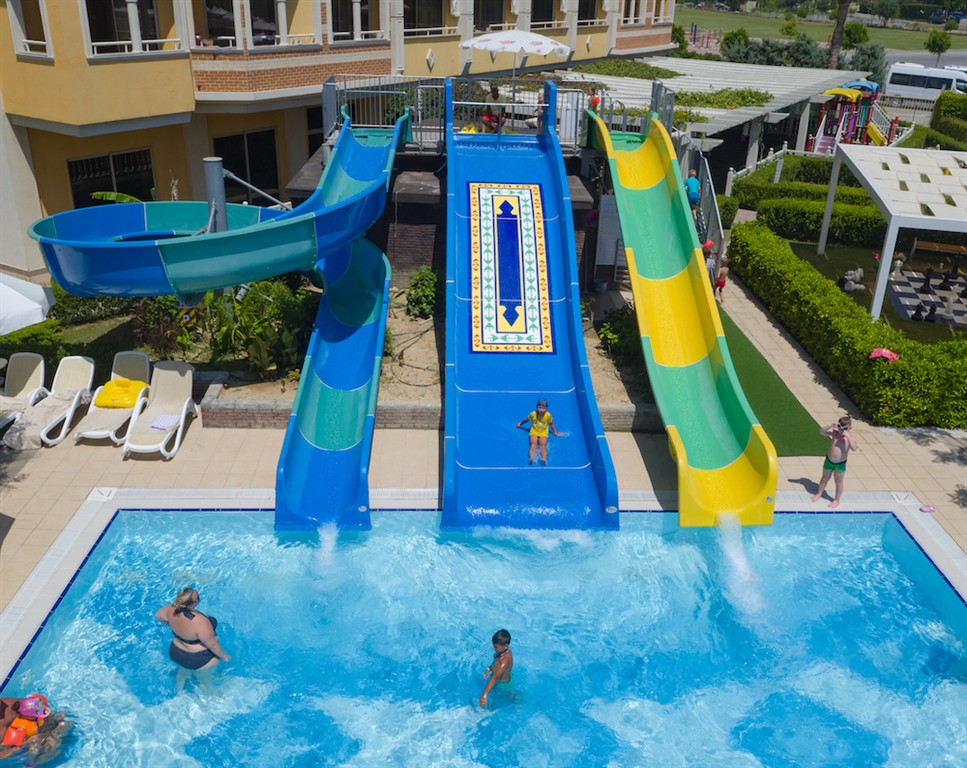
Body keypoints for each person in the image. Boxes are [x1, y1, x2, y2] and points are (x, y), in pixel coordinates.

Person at [155, 587, 230, 670]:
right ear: (191, 605)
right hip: (197, 658)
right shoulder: (199, 621)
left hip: (175, 652)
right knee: (208, 678)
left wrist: (175, 626)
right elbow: (213, 646)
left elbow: (158, 616)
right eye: (198, 598)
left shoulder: (171, 608)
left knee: (183, 673)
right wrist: (225, 657)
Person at [0, 694, 70, 760]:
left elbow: (34, 705)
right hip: (24, 745)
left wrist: (47, 721)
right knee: (47, 745)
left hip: (38, 727)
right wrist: (19, 747)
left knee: (63, 721)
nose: (4, 706)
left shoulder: (11, 704)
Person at [810, 415, 859, 509]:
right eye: (840, 427)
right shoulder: (835, 433)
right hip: (829, 461)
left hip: (840, 464)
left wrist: (848, 436)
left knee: (839, 482)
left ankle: (836, 500)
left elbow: (854, 448)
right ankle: (819, 493)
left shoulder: (850, 438)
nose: (842, 430)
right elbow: (821, 432)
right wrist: (830, 425)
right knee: (824, 478)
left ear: (850, 428)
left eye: (845, 428)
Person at [516, 398, 561, 466]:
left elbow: (551, 424)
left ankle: (544, 458)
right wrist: (520, 424)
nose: (542, 410)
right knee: (533, 444)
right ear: (537, 407)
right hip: (534, 431)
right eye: (540, 408)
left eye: (544, 408)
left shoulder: (548, 415)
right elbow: (527, 419)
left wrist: (555, 433)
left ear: (547, 408)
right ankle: (531, 457)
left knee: (543, 445)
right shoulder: (533, 414)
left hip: (543, 433)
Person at [479, 629, 513, 707]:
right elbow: (495, 664)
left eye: (496, 647)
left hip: (503, 684)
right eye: (493, 646)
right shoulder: (500, 653)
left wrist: (484, 694)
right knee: (494, 697)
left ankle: (517, 699)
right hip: (496, 679)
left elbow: (495, 677)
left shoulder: (506, 659)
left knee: (506, 698)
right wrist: (488, 669)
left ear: (506, 646)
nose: (494, 649)